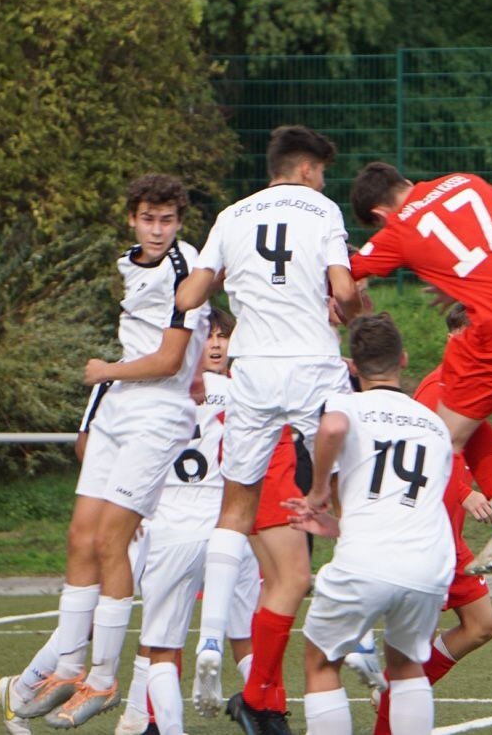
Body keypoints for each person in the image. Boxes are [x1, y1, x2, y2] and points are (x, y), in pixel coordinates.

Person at [0, 174, 209, 732]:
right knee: (80, 536)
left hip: (156, 414)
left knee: (113, 540)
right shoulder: (129, 262)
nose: (157, 229)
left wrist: (107, 370)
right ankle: (68, 667)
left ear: (180, 222)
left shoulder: (185, 266)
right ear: (132, 219)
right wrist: (116, 381)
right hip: (118, 407)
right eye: (148, 219)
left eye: (167, 220)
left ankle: (103, 676)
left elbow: (169, 361)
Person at [175, 125, 363, 734]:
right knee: (352, 484)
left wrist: (212, 280)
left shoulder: (232, 215)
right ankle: (359, 633)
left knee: (236, 507)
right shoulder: (322, 210)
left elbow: (191, 295)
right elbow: (342, 288)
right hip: (312, 364)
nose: (323, 182)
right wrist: (351, 310)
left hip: (252, 368)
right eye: (322, 172)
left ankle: (210, 641)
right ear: (307, 169)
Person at [348, 162, 492, 573]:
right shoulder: (467, 181)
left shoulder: (400, 228)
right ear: (404, 182)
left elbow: (347, 273)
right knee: (467, 418)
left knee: (436, 438)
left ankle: (397, 547)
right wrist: (461, 282)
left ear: (378, 214)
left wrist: (350, 295)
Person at [284, 313, 455, 735]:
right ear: (404, 358)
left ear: (352, 366)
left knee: (321, 661)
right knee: (408, 665)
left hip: (367, 561)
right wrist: (341, 526)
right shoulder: (434, 424)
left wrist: (318, 492)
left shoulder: (348, 403)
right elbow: (410, 505)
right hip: (427, 562)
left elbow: (332, 427)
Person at [361, 304, 492, 734]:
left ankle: (394, 691)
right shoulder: (437, 389)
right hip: (427, 537)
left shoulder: (468, 388)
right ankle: (393, 702)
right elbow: (419, 459)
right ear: (455, 337)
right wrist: (466, 494)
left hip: (449, 541)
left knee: (481, 626)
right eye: (476, 334)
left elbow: (476, 446)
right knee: (410, 654)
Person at [113, 307, 262, 735]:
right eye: (209, 336)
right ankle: (265, 709)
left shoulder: (162, 393)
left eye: (222, 336)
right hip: (229, 527)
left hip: (171, 524)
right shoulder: (242, 393)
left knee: (159, 640)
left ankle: (151, 721)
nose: (215, 344)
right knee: (245, 633)